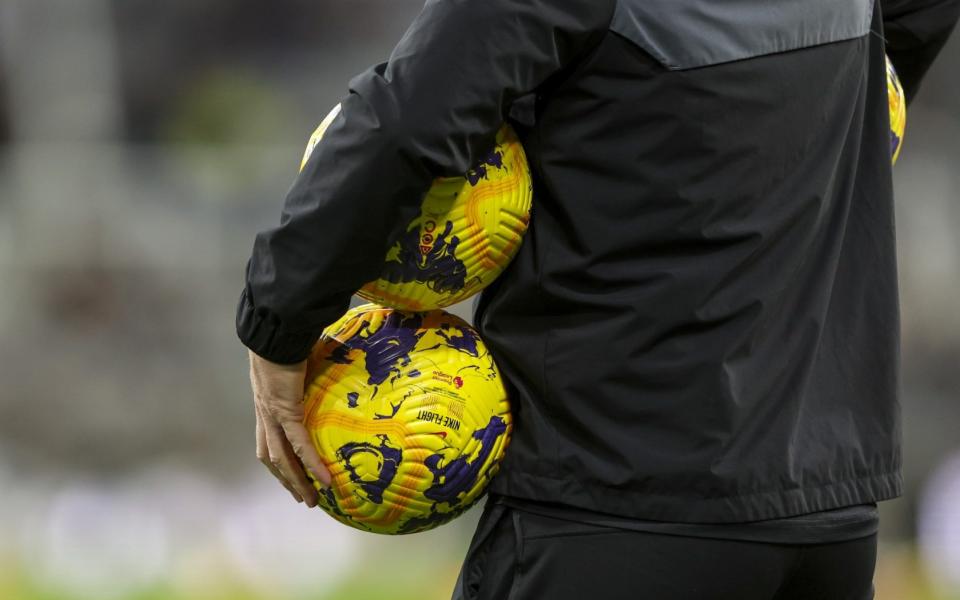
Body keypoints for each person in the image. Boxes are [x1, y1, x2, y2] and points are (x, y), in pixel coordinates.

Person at [237, 0, 960, 597]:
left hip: (614, 510)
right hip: (828, 522)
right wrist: (819, 136)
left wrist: (280, 322)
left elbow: (403, 124)